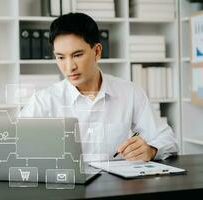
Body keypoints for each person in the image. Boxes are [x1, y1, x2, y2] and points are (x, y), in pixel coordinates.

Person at [20, 12, 178, 161]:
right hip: (66, 186)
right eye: (60, 57)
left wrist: (151, 150)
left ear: (97, 51)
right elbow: (17, 145)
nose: (69, 67)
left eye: (77, 55)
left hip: (118, 187)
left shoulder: (130, 93)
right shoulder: (44, 100)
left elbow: (167, 139)